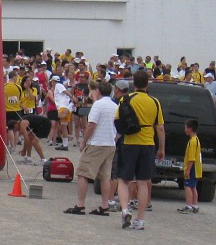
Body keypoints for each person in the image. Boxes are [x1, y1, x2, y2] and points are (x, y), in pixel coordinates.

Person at [116, 70, 165, 231]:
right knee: (143, 182)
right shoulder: (155, 101)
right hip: (148, 142)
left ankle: (124, 209)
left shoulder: (126, 98)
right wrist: (161, 148)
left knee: (124, 179)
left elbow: (117, 120)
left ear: (134, 84)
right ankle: (140, 219)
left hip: (130, 142)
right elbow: (160, 128)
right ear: (147, 83)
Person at [63, 80, 118, 216]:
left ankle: (80, 204)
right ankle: (104, 206)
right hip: (110, 143)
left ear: (98, 91)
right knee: (105, 177)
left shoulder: (98, 105)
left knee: (83, 173)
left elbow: (91, 125)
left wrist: (84, 142)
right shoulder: (115, 106)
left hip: (97, 143)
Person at [177, 118, 202, 214]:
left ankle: (188, 206)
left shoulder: (192, 141)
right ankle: (195, 205)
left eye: (185, 128)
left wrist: (188, 170)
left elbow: (191, 158)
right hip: (196, 168)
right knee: (193, 187)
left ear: (190, 129)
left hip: (192, 168)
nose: (184, 129)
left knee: (187, 186)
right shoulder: (196, 139)